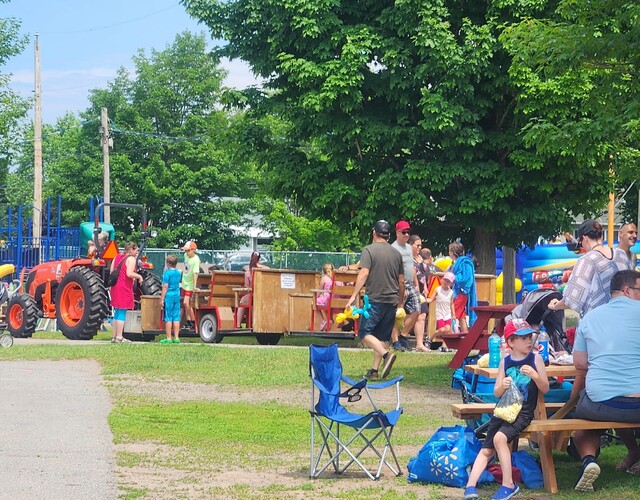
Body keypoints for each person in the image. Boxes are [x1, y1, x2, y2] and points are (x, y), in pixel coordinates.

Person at [570, 270, 640, 491]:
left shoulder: (590, 317)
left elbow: (580, 364)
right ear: (628, 290)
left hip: (602, 404)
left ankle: (589, 460)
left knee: (583, 417)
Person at [464, 319, 549, 500]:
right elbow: (496, 392)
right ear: (510, 342)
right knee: (487, 448)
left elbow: (545, 388)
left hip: (523, 412)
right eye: (523, 338)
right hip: (504, 409)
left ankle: (508, 485)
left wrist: (535, 375)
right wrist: (502, 385)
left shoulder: (535, 359)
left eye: (529, 337)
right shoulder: (505, 362)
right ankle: (470, 485)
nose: (528, 341)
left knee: (500, 438)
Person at [346, 220, 404, 380]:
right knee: (382, 338)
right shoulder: (396, 254)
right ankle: (374, 370)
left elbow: (364, 273)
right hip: (391, 300)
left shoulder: (368, 250)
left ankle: (386, 355)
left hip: (375, 299)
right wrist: (399, 302)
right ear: (389, 235)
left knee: (364, 333)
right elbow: (401, 281)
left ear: (374, 233)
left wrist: (353, 296)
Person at [548, 219, 631, 318]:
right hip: (624, 317)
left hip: (598, 323)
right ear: (601, 236)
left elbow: (571, 301)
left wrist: (555, 306)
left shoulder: (586, 261)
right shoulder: (621, 254)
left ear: (585, 238)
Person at [391, 221, 420, 352]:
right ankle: (395, 340)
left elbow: (411, 267)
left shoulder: (409, 248)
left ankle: (403, 335)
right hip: (398, 284)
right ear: (397, 233)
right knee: (398, 314)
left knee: (417, 309)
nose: (407, 234)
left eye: (408, 232)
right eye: (404, 232)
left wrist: (416, 283)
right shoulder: (393, 248)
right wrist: (399, 286)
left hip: (410, 283)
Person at [110, 241, 144, 343]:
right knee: (122, 312)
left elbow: (112, 270)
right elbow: (129, 273)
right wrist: (139, 276)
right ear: (131, 250)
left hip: (115, 287)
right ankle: (120, 337)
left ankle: (114, 336)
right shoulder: (131, 259)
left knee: (117, 312)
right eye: (136, 249)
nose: (137, 251)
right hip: (124, 287)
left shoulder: (117, 257)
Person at [449, 241, 477, 334]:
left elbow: (465, 278)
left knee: (451, 314)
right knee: (461, 315)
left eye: (449, 251)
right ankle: (465, 335)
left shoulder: (464, 263)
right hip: (459, 292)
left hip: (460, 292)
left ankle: (451, 338)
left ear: (453, 252)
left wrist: (453, 277)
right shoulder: (459, 262)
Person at [237, 251, 269, 326]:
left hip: (253, 295)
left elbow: (247, 287)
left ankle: (238, 324)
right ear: (259, 259)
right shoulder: (265, 269)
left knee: (243, 301)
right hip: (265, 295)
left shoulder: (248, 272)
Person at [410, 235, 430, 352]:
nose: (419, 248)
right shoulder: (407, 258)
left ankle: (419, 343)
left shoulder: (420, 259)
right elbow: (412, 274)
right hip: (411, 289)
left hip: (421, 290)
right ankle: (398, 338)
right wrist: (417, 286)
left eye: (420, 245)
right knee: (407, 316)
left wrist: (426, 287)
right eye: (417, 245)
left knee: (422, 315)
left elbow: (423, 274)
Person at [426, 271, 456, 340]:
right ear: (442, 279)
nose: (446, 282)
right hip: (440, 313)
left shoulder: (451, 292)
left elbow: (451, 304)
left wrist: (453, 314)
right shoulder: (438, 289)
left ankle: (444, 345)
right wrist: (424, 300)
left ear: (451, 283)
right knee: (442, 330)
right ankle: (430, 338)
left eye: (448, 281)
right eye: (445, 280)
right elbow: (431, 299)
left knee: (447, 329)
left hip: (447, 313)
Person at [160, 254, 182, 344]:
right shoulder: (178, 273)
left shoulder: (167, 273)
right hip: (176, 295)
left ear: (168, 263)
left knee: (168, 317)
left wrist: (162, 298)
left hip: (168, 295)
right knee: (176, 317)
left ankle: (168, 338)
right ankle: (176, 337)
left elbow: (165, 286)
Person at [180, 241, 201, 329]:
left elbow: (195, 273)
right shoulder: (186, 256)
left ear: (193, 250)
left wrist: (195, 286)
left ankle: (193, 320)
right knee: (186, 304)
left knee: (186, 302)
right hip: (184, 283)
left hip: (190, 284)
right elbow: (185, 268)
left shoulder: (196, 260)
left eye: (188, 251)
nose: (186, 253)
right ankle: (189, 321)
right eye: (185, 251)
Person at [316, 263, 334, 331]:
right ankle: (329, 320)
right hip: (335, 299)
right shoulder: (334, 278)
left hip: (326, 299)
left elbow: (320, 290)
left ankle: (323, 320)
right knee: (327, 306)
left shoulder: (324, 278)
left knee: (315, 304)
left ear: (323, 270)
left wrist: (316, 297)